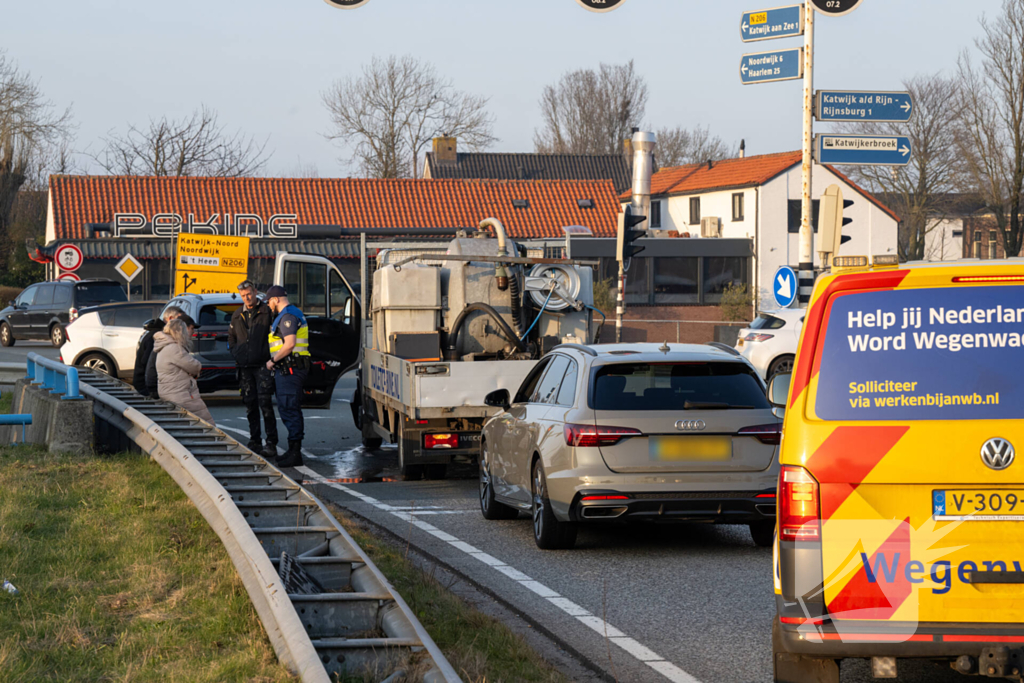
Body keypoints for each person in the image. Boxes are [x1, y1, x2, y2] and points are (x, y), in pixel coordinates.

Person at [228, 280, 278, 458]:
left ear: (255, 291)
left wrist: (270, 358)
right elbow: (232, 340)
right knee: (250, 405)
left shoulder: (267, 312)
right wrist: (238, 354)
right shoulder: (237, 315)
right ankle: (254, 440)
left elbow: (276, 336)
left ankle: (271, 442)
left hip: (262, 366)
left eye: (249, 294)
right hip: (244, 367)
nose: (247, 298)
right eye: (243, 295)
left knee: (266, 405)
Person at [264, 285, 309, 468]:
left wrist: (272, 360)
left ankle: (295, 452)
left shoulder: (288, 316)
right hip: (290, 369)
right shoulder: (289, 314)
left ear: (275, 299)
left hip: (290, 369)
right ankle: (292, 450)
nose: (268, 306)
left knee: (289, 408)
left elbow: (289, 344)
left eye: (269, 302)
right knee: (288, 408)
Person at [153, 317, 214, 423]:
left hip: (170, 391)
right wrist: (196, 369)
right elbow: (194, 366)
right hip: (180, 394)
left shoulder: (164, 347)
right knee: (205, 424)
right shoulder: (174, 348)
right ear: (179, 332)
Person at [133, 306, 184, 396]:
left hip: (147, 384)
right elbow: (147, 362)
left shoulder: (156, 332)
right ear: (170, 319)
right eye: (179, 320)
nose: (181, 325)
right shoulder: (158, 336)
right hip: (147, 386)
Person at [146, 312, 197, 398]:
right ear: (183, 329)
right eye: (191, 328)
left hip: (162, 386)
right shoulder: (173, 346)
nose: (193, 332)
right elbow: (194, 366)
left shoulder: (167, 342)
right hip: (161, 389)